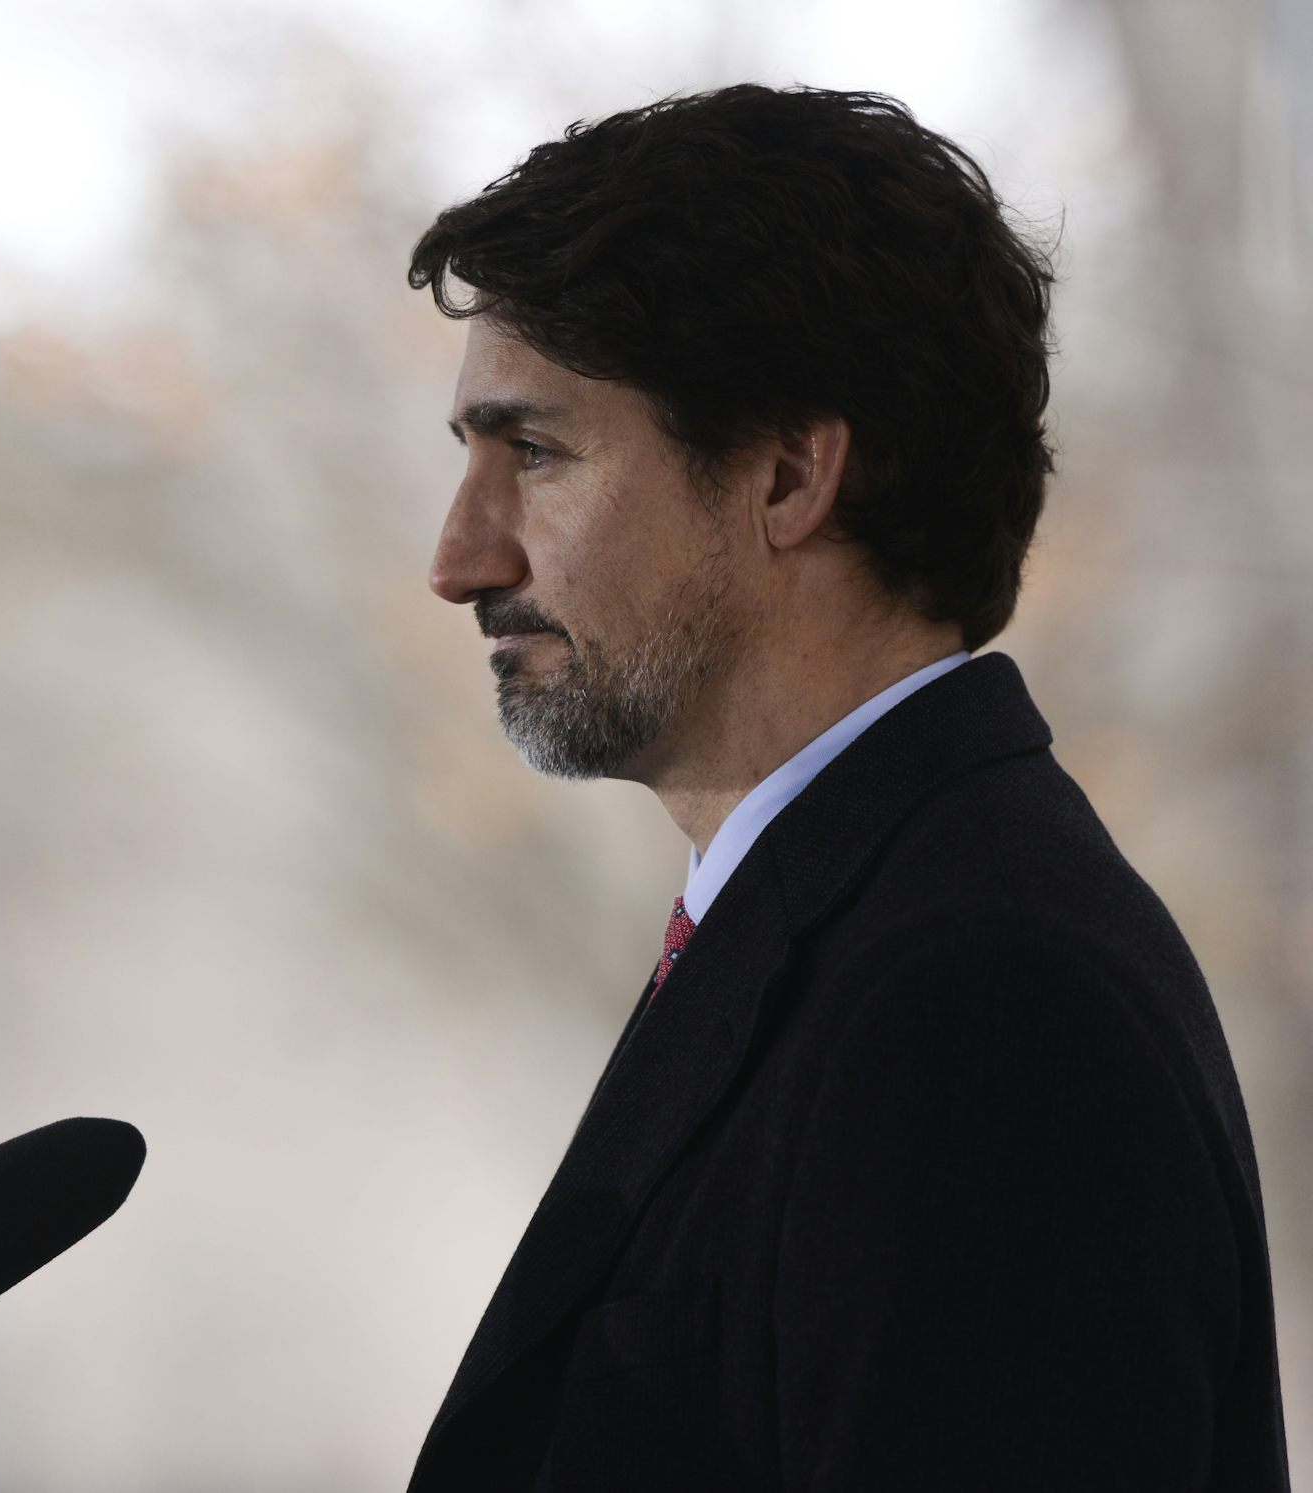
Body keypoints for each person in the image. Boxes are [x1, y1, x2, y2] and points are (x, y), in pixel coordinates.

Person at [405, 83, 1291, 1492]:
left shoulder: (984, 1002)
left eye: (538, 454)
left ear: (786, 475)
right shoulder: (872, 929)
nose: (460, 560)